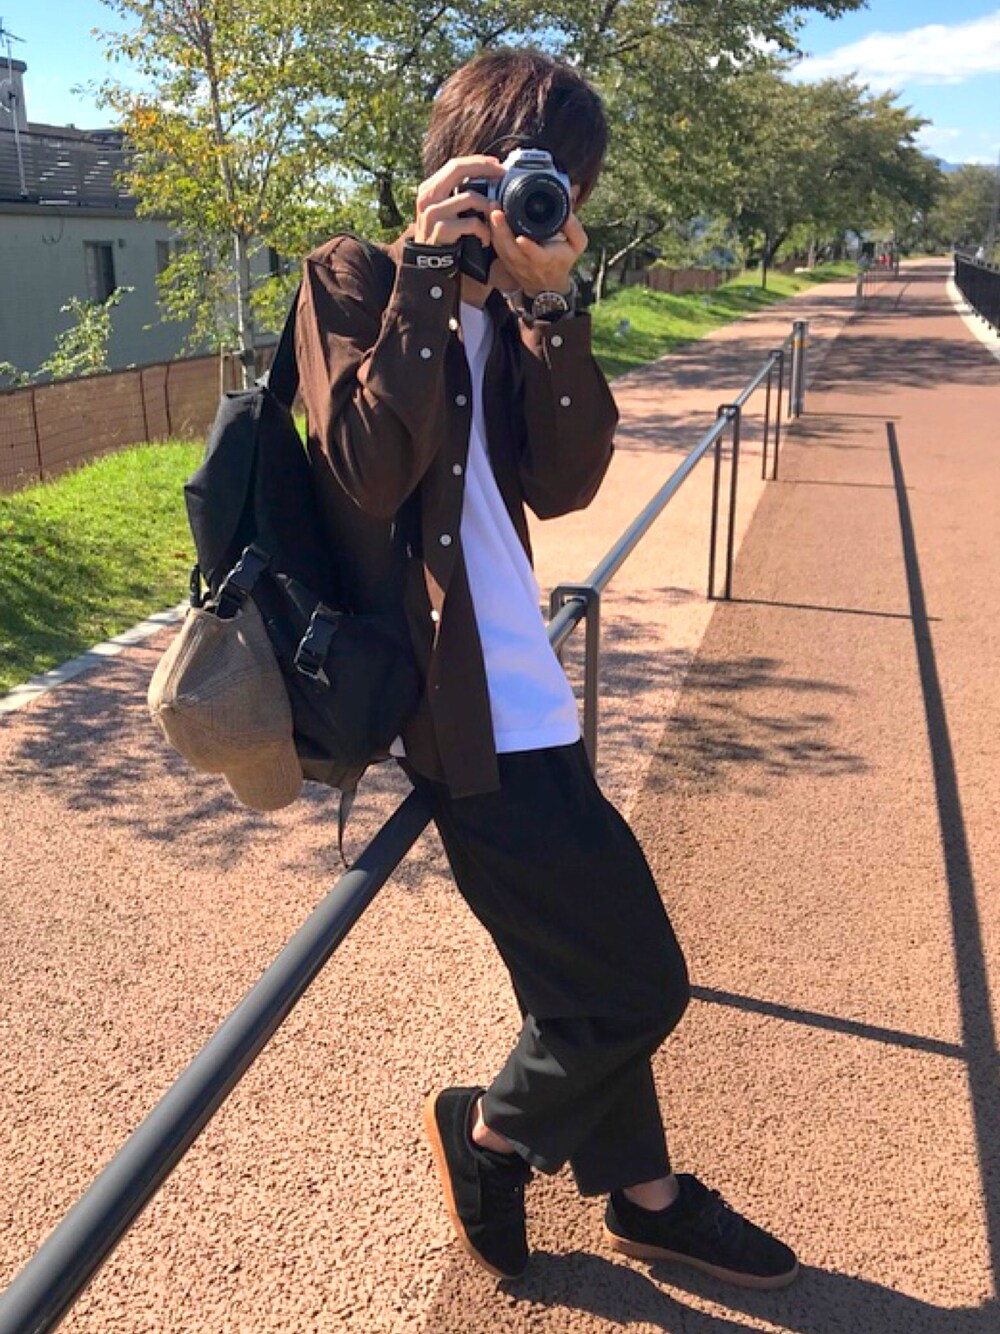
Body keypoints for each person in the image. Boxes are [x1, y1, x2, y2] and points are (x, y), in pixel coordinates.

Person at [294, 47, 798, 1291]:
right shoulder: (354, 277)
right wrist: (428, 279)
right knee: (638, 981)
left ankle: (646, 1194)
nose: (531, 200)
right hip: (458, 717)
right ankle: (489, 1134)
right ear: (449, 160)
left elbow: (568, 481)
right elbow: (365, 471)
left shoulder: (524, 311)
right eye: (514, 172)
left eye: (558, 186)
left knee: (582, 973)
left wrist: (550, 305)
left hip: (531, 695)